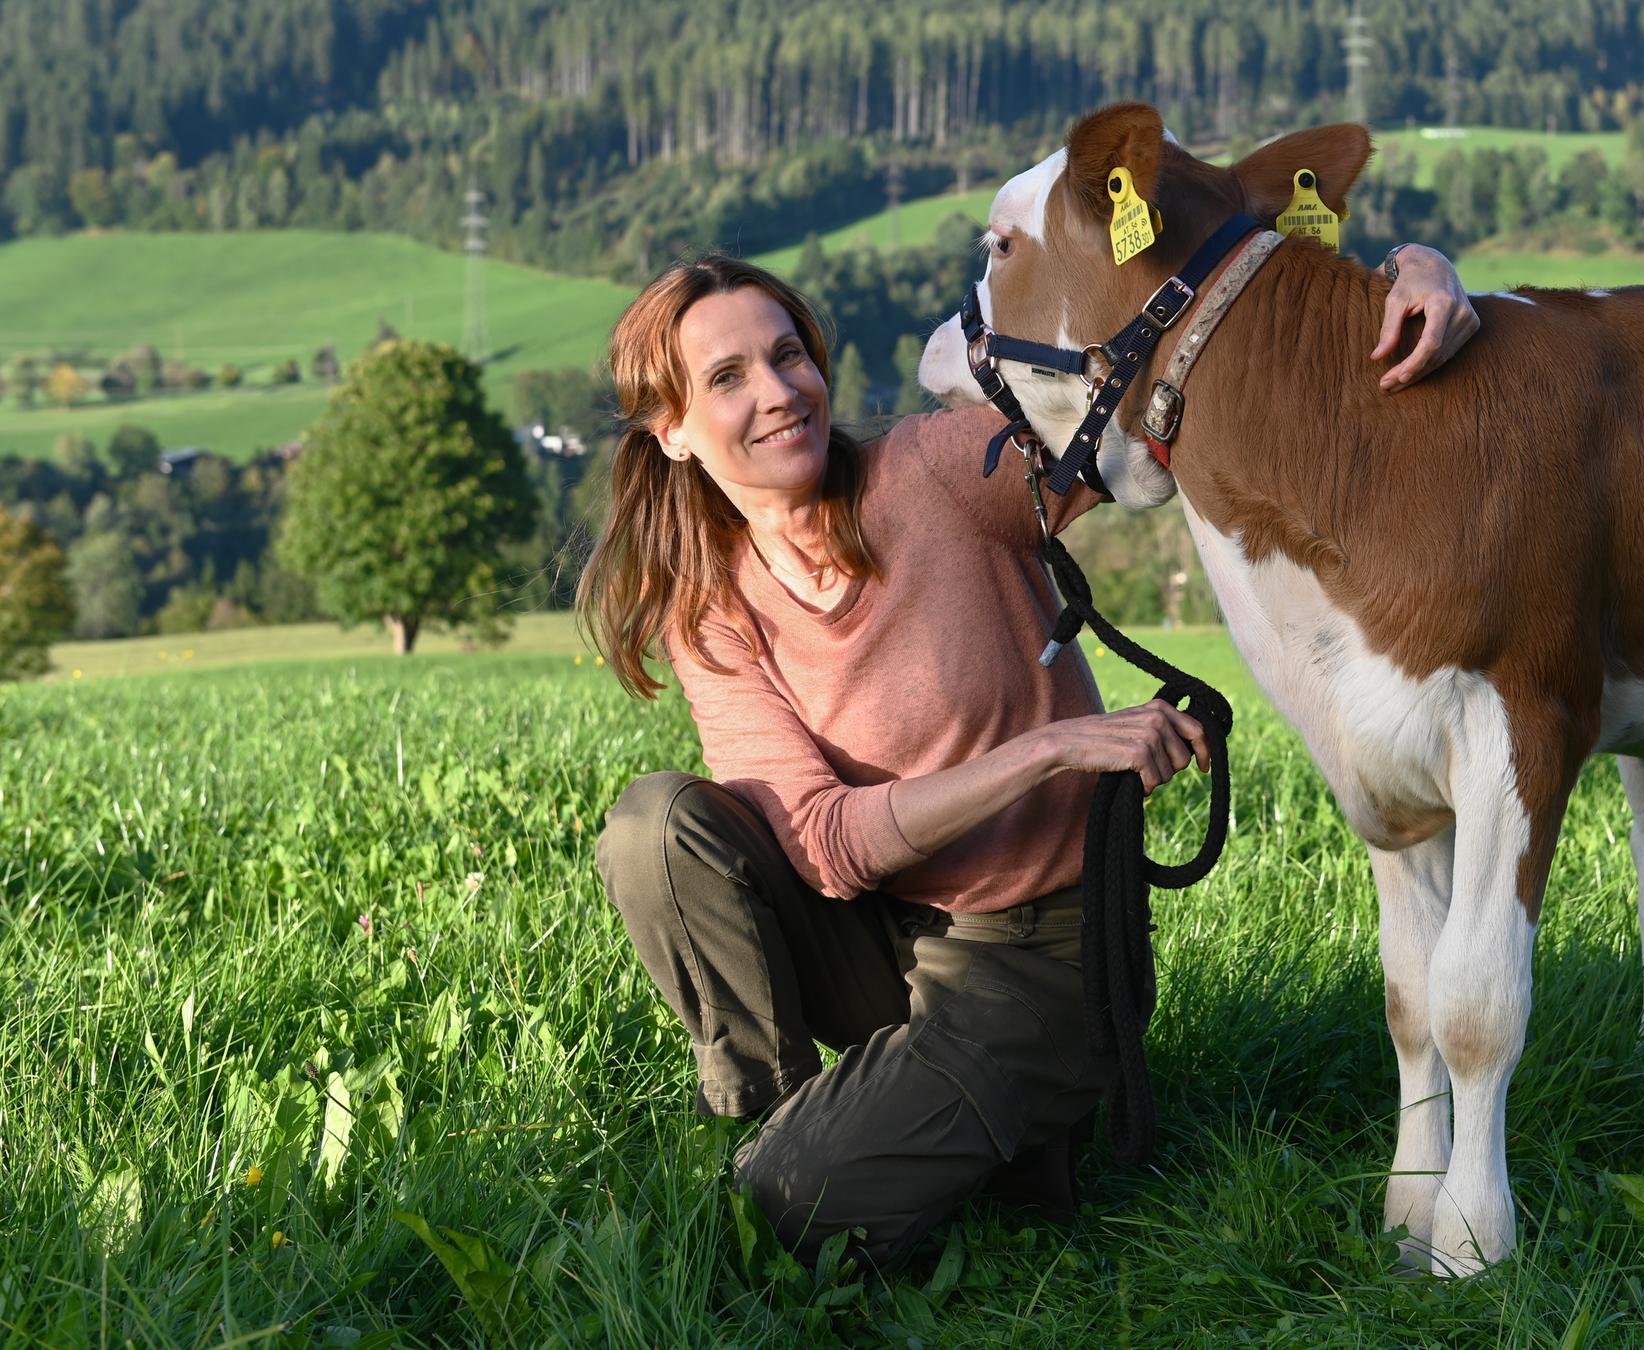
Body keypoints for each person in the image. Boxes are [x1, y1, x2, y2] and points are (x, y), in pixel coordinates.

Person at [584, 241, 1480, 1267]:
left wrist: (1404, 275)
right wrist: (1050, 750)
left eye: (789, 356)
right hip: (881, 939)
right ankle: (770, 1123)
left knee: (796, 1204)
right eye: (728, 378)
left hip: (1039, 956)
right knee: (656, 829)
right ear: (672, 431)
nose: (780, 393)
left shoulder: (934, 473)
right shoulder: (710, 609)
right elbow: (826, 848)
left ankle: (946, 1130)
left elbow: (1166, 394)